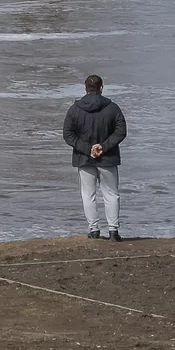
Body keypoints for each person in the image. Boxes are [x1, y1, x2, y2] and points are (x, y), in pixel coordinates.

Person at [63, 75, 127, 240]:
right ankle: (113, 231)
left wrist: (87, 148)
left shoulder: (74, 109)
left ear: (85, 88)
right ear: (101, 87)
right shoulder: (112, 108)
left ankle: (94, 230)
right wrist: (103, 147)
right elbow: (121, 131)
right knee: (111, 193)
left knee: (88, 194)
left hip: (84, 158)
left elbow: (68, 135)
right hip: (108, 157)